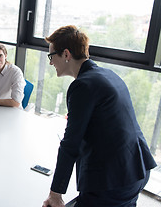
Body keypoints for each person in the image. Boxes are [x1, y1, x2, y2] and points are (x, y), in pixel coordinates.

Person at [42, 25, 157, 207]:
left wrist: (55, 193)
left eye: (51, 56)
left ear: (66, 54)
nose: (50, 62)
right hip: (137, 169)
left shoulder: (82, 86)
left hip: (113, 182)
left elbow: (70, 145)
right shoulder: (108, 75)